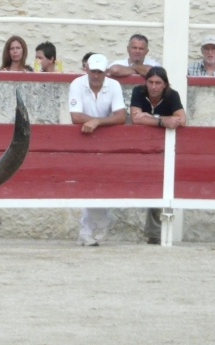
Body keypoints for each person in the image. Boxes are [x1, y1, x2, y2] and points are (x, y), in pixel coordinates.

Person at [68, 53, 127, 246]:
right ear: (87, 70)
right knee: (90, 183)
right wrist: (96, 122)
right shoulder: (77, 84)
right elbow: (75, 117)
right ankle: (99, 223)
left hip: (106, 142)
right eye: (93, 71)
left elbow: (121, 117)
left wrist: (97, 122)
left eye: (100, 72)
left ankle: (88, 230)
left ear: (105, 72)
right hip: (82, 140)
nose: (96, 75)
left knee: (97, 184)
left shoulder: (114, 86)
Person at [130, 66, 187, 244]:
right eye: (151, 82)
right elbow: (134, 118)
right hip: (138, 148)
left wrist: (148, 118)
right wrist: (162, 121)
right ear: (145, 83)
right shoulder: (139, 91)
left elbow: (182, 120)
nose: (154, 86)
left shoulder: (171, 95)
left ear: (165, 85)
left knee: (161, 188)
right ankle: (155, 234)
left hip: (164, 150)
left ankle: (155, 234)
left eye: (158, 83)